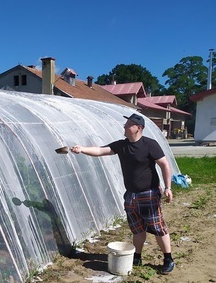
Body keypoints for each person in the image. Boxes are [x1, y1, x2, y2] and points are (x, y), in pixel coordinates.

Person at [70, 113, 175, 274]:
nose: (124, 127)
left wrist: (168, 187)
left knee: (158, 227)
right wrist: (82, 149)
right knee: (137, 228)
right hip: (131, 195)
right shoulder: (122, 145)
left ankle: (168, 259)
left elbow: (164, 165)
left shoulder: (149, 144)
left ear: (138, 128)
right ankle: (137, 257)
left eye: (128, 125)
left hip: (149, 194)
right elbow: (100, 150)